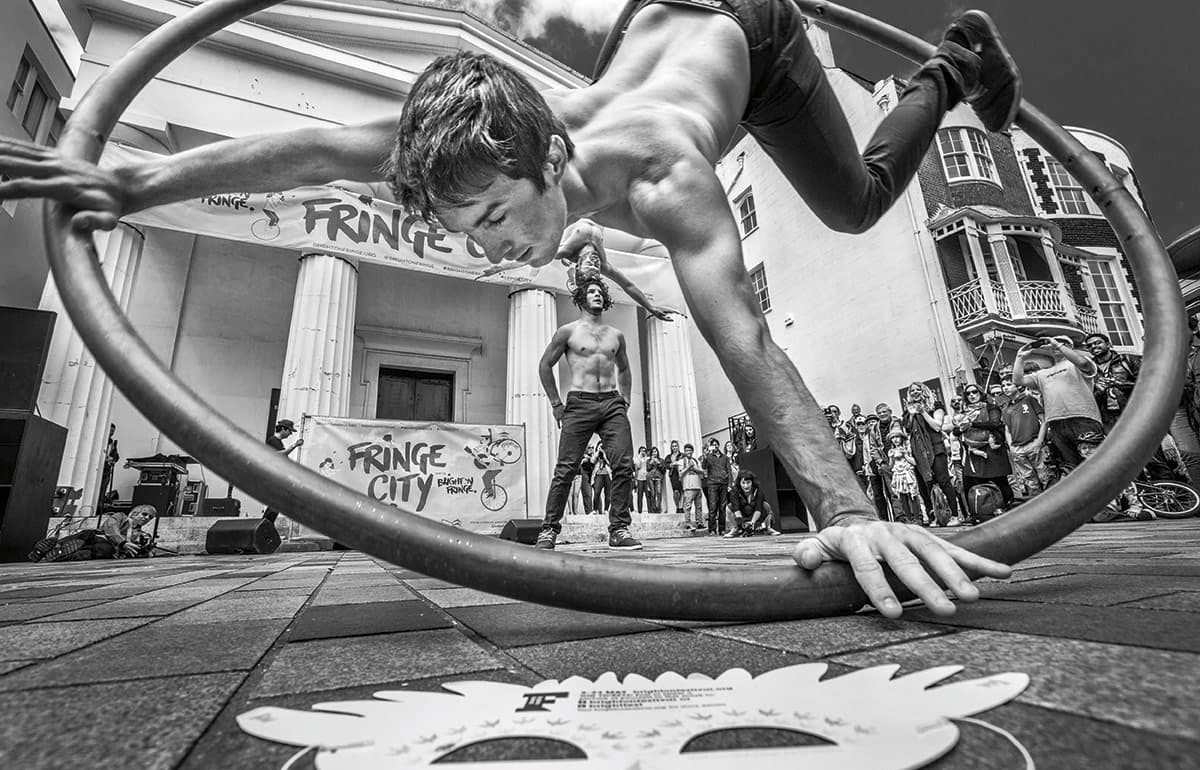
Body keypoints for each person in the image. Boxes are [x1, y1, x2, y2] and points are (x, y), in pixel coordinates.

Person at [0, 5, 1021, 617]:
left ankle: (949, 71)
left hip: (750, 29)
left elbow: (745, 332)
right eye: (466, 231)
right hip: (652, 18)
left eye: (492, 217)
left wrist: (851, 513)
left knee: (853, 207)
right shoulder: (490, 140)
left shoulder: (668, 176)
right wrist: (132, 185)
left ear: (554, 161)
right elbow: (309, 148)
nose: (486, 248)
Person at [537, 277, 642, 550]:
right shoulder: (567, 332)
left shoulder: (615, 335)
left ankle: (618, 529)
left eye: (599, 292)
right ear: (581, 298)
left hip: (611, 403)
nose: (596, 295)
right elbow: (545, 366)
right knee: (566, 469)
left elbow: (625, 369)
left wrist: (625, 400)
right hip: (579, 403)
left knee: (623, 464)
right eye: (591, 291)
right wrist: (555, 404)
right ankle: (549, 530)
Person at [1013, 335, 1154, 522]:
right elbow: (1019, 380)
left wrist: (1059, 345)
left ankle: (1136, 503)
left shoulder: (1078, 363)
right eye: (1052, 344)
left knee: (1102, 463)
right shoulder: (1043, 374)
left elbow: (1083, 363)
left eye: (1061, 343)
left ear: (1069, 346)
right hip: (1057, 423)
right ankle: (1101, 505)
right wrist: (1020, 356)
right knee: (1077, 470)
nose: (1053, 346)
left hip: (1083, 418)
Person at [902, 382, 964, 528]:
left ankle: (955, 515)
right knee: (927, 485)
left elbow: (937, 426)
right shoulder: (908, 410)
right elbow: (907, 430)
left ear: (924, 391)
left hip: (936, 449)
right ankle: (934, 517)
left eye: (918, 389)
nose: (915, 392)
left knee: (943, 481)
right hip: (919, 452)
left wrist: (922, 411)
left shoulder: (935, 405)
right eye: (912, 391)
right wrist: (911, 415)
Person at [956, 384, 1015, 516]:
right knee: (976, 484)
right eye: (968, 393)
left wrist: (972, 424)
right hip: (974, 452)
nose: (971, 395)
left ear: (981, 393)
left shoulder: (991, 407)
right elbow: (957, 431)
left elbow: (994, 423)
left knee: (1001, 482)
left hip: (992, 450)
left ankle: (1010, 509)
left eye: (974, 392)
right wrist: (959, 429)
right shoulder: (964, 412)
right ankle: (983, 512)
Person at [29, 505, 158, 562]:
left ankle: (55, 554)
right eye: (144, 514)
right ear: (135, 512)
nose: (146, 518)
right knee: (87, 534)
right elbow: (110, 527)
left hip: (108, 548)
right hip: (97, 537)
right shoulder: (121, 517)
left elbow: (144, 553)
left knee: (99, 551)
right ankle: (51, 547)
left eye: (150, 517)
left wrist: (148, 551)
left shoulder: (143, 535)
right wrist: (123, 542)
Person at [1001, 374, 1050, 498]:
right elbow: (1007, 429)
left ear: (1017, 386)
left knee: (1045, 476)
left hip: (1033, 443)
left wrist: (1039, 440)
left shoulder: (1029, 399)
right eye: (1003, 386)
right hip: (1018, 449)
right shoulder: (1005, 408)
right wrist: (1011, 446)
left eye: (1008, 384)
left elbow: (1044, 420)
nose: (1005, 388)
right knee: (1029, 480)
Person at [1084, 332, 1141, 432]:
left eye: (1097, 343)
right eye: (1089, 346)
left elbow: (1147, 384)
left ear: (1108, 344)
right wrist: (1099, 392)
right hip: (1108, 418)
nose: (1093, 346)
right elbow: (1087, 398)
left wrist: (1121, 384)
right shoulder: (1090, 369)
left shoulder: (1128, 359)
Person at [263, 418, 303, 523]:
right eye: (289, 431)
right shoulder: (273, 440)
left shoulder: (277, 442)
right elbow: (281, 454)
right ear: (283, 429)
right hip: (273, 475)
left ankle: (266, 525)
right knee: (277, 502)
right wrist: (295, 445)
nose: (290, 433)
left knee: (277, 503)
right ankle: (265, 525)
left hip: (275, 475)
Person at [724, 469, 780, 537]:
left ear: (752, 482)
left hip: (754, 514)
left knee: (766, 506)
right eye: (743, 483)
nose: (746, 486)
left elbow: (758, 509)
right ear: (739, 483)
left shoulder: (758, 490)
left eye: (748, 483)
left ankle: (768, 528)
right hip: (741, 515)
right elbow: (736, 509)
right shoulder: (734, 491)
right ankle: (735, 529)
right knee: (728, 507)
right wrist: (742, 524)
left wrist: (752, 523)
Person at [885, 430, 922, 525]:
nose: (895, 440)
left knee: (912, 495)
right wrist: (891, 458)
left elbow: (914, 462)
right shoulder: (892, 451)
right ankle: (908, 518)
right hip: (898, 474)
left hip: (907, 473)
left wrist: (905, 454)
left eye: (897, 437)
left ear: (901, 438)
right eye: (893, 438)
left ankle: (917, 518)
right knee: (902, 496)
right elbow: (890, 466)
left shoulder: (908, 448)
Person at [701, 438, 731, 535]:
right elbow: (704, 467)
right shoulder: (708, 457)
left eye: (716, 444)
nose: (715, 446)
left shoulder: (725, 457)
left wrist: (730, 484)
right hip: (712, 484)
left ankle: (722, 529)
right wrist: (705, 456)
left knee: (722, 507)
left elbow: (729, 471)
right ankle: (712, 529)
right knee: (713, 507)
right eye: (713, 444)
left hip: (723, 483)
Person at [678, 443, 706, 532]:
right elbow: (680, 474)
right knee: (688, 506)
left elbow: (702, 472)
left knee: (699, 506)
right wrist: (688, 467)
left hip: (697, 486)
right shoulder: (682, 461)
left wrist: (694, 469)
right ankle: (688, 523)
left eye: (690, 450)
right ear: (684, 452)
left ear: (692, 451)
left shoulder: (696, 461)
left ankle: (699, 523)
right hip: (688, 487)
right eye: (686, 450)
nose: (688, 452)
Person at [591, 441, 613, 513]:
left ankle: (606, 509)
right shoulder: (596, 454)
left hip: (607, 475)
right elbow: (592, 461)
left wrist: (604, 455)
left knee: (608, 493)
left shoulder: (608, 454)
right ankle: (595, 509)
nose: (601, 448)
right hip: (598, 474)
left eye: (603, 447)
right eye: (600, 446)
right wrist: (597, 453)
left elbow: (610, 463)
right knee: (597, 492)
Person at [666, 439, 686, 513]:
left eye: (675, 446)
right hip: (673, 474)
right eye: (673, 446)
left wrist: (678, 463)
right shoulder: (669, 456)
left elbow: (685, 462)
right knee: (676, 492)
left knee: (683, 491)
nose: (674, 448)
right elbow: (666, 465)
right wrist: (671, 464)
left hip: (681, 473)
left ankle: (681, 507)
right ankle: (677, 506)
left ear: (678, 447)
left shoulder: (682, 455)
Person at [645, 445, 666, 513]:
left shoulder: (661, 460)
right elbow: (647, 469)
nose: (654, 453)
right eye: (653, 452)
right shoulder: (648, 461)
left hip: (658, 478)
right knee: (652, 493)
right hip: (650, 478)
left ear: (657, 452)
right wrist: (651, 463)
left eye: (655, 451)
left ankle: (658, 508)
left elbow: (663, 470)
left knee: (659, 493)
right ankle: (653, 508)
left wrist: (659, 463)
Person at [633, 446, 651, 513]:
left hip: (647, 478)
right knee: (640, 495)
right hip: (639, 478)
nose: (643, 452)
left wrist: (645, 457)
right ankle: (639, 511)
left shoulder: (648, 458)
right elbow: (637, 467)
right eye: (641, 451)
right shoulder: (637, 458)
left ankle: (650, 510)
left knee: (648, 495)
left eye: (644, 451)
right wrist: (639, 457)